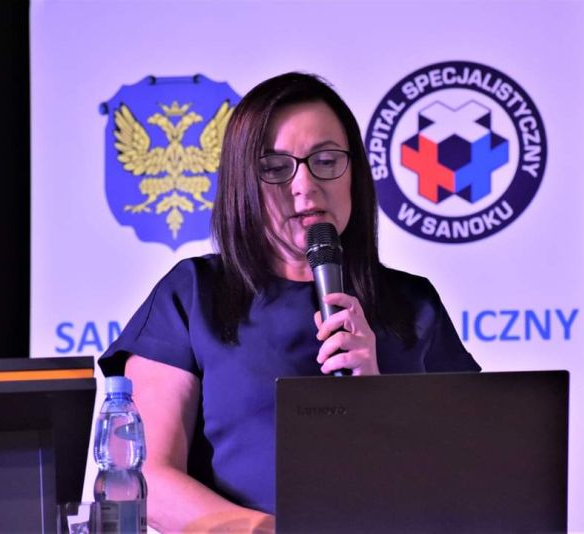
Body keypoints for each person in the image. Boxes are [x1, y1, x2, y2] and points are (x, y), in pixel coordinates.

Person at [99, 71, 480, 532]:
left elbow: (472, 473)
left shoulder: (413, 303)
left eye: (326, 160)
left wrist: (378, 395)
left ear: (355, 174)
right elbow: (148, 480)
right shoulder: (193, 294)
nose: (305, 185)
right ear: (243, 183)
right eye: (276, 168)